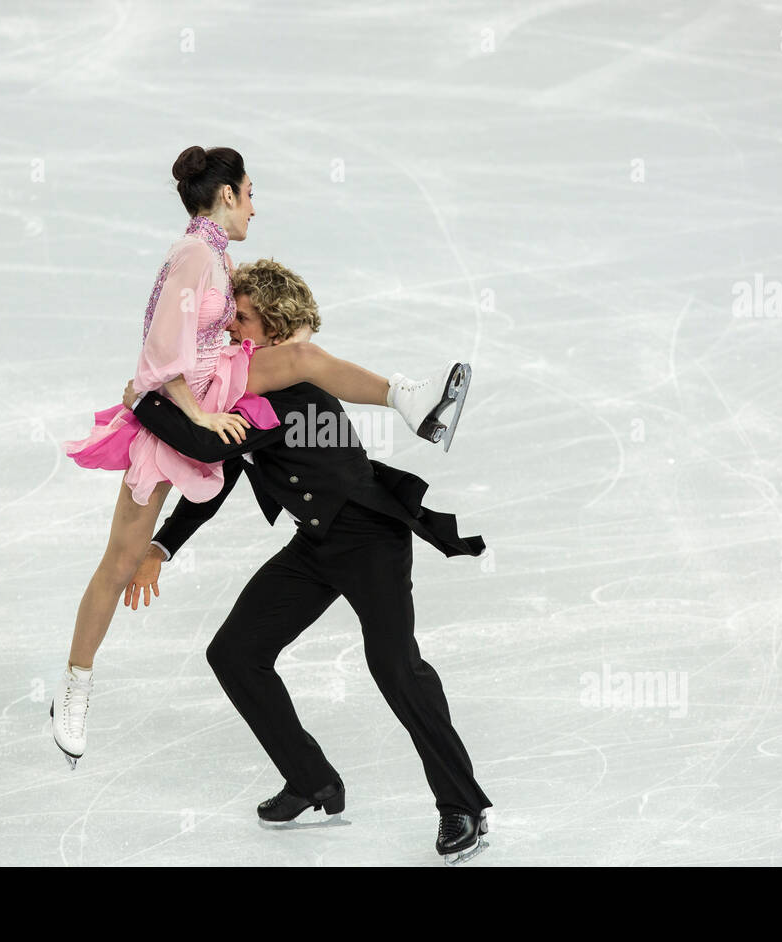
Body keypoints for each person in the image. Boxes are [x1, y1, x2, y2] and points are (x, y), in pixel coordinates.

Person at [51, 146, 471, 777]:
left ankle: (410, 399)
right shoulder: (196, 253)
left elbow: (215, 368)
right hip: (187, 399)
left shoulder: (215, 254)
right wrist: (189, 413)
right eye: (249, 192)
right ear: (225, 195)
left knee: (302, 359)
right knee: (119, 560)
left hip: (224, 398)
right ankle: (75, 689)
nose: (255, 204)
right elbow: (161, 346)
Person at [119, 258, 491, 865]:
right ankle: (311, 778)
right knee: (236, 653)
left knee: (397, 669)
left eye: (241, 320)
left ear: (271, 328)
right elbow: (219, 478)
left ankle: (462, 805)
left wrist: (145, 400)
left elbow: (206, 444)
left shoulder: (283, 394)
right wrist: (160, 547)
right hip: (316, 544)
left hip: (369, 538)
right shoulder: (244, 389)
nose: (229, 333)